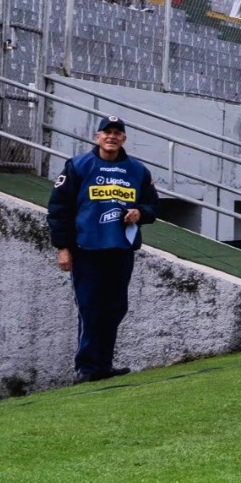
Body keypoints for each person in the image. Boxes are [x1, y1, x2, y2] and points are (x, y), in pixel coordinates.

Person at [46, 116, 159, 382]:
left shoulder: (138, 170)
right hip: (86, 249)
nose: (112, 137)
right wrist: (63, 248)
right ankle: (86, 369)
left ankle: (103, 365)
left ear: (124, 139)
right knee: (90, 308)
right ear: (97, 137)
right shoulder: (78, 166)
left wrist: (139, 212)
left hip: (120, 249)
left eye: (117, 133)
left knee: (115, 307)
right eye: (106, 132)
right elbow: (58, 210)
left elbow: (153, 206)